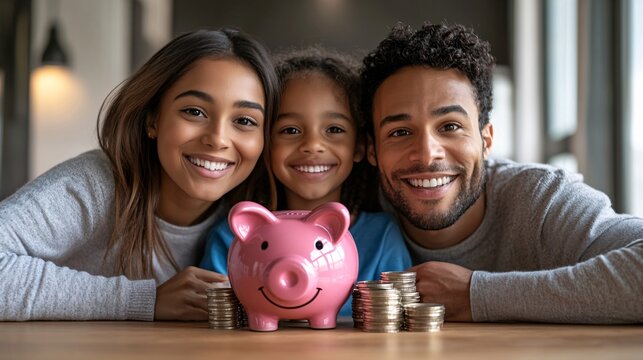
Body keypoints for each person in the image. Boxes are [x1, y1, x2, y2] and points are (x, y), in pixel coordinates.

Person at [361, 22, 643, 323]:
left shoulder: (541, 199)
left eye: (451, 126)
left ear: (486, 140)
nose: (428, 153)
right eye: (400, 131)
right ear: (372, 150)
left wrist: (475, 294)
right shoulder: (356, 206)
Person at [0, 29, 279, 321]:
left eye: (245, 121)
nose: (218, 139)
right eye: (194, 112)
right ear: (152, 119)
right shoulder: (96, 185)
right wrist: (144, 299)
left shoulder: (257, 215)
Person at [200, 47, 412, 316]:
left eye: (334, 130)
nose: (312, 145)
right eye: (290, 130)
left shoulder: (384, 238)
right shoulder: (231, 239)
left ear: (359, 146)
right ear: (266, 143)